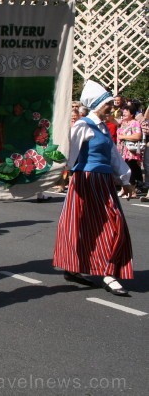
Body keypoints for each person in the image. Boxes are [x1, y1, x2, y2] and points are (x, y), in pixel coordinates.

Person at [53, 80, 134, 296]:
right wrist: (60, 176)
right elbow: (69, 156)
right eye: (108, 104)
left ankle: (106, 271)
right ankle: (90, 271)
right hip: (86, 181)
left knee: (111, 225)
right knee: (84, 225)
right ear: (96, 105)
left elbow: (114, 156)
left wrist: (126, 179)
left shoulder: (103, 128)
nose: (112, 108)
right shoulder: (82, 126)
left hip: (103, 182)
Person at [116, 104, 143, 198]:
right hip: (122, 151)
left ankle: (133, 191)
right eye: (123, 112)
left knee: (130, 170)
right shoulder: (123, 123)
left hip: (130, 151)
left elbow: (138, 136)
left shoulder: (135, 123)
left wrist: (123, 137)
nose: (123, 114)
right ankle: (125, 189)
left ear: (132, 114)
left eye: (126, 112)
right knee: (123, 170)